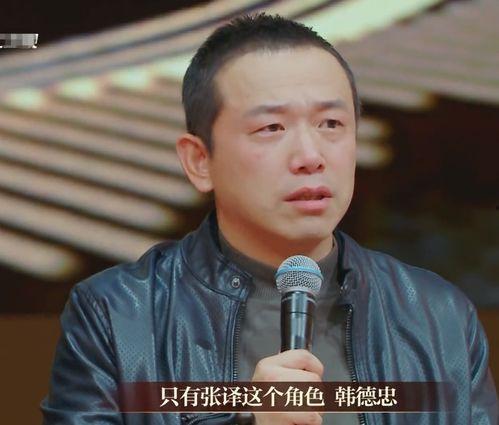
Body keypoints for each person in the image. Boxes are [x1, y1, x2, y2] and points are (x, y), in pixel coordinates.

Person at [41, 14, 498, 425]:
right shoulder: (117, 314)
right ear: (199, 161)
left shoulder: (438, 314)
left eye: (331, 124)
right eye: (271, 128)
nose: (310, 156)